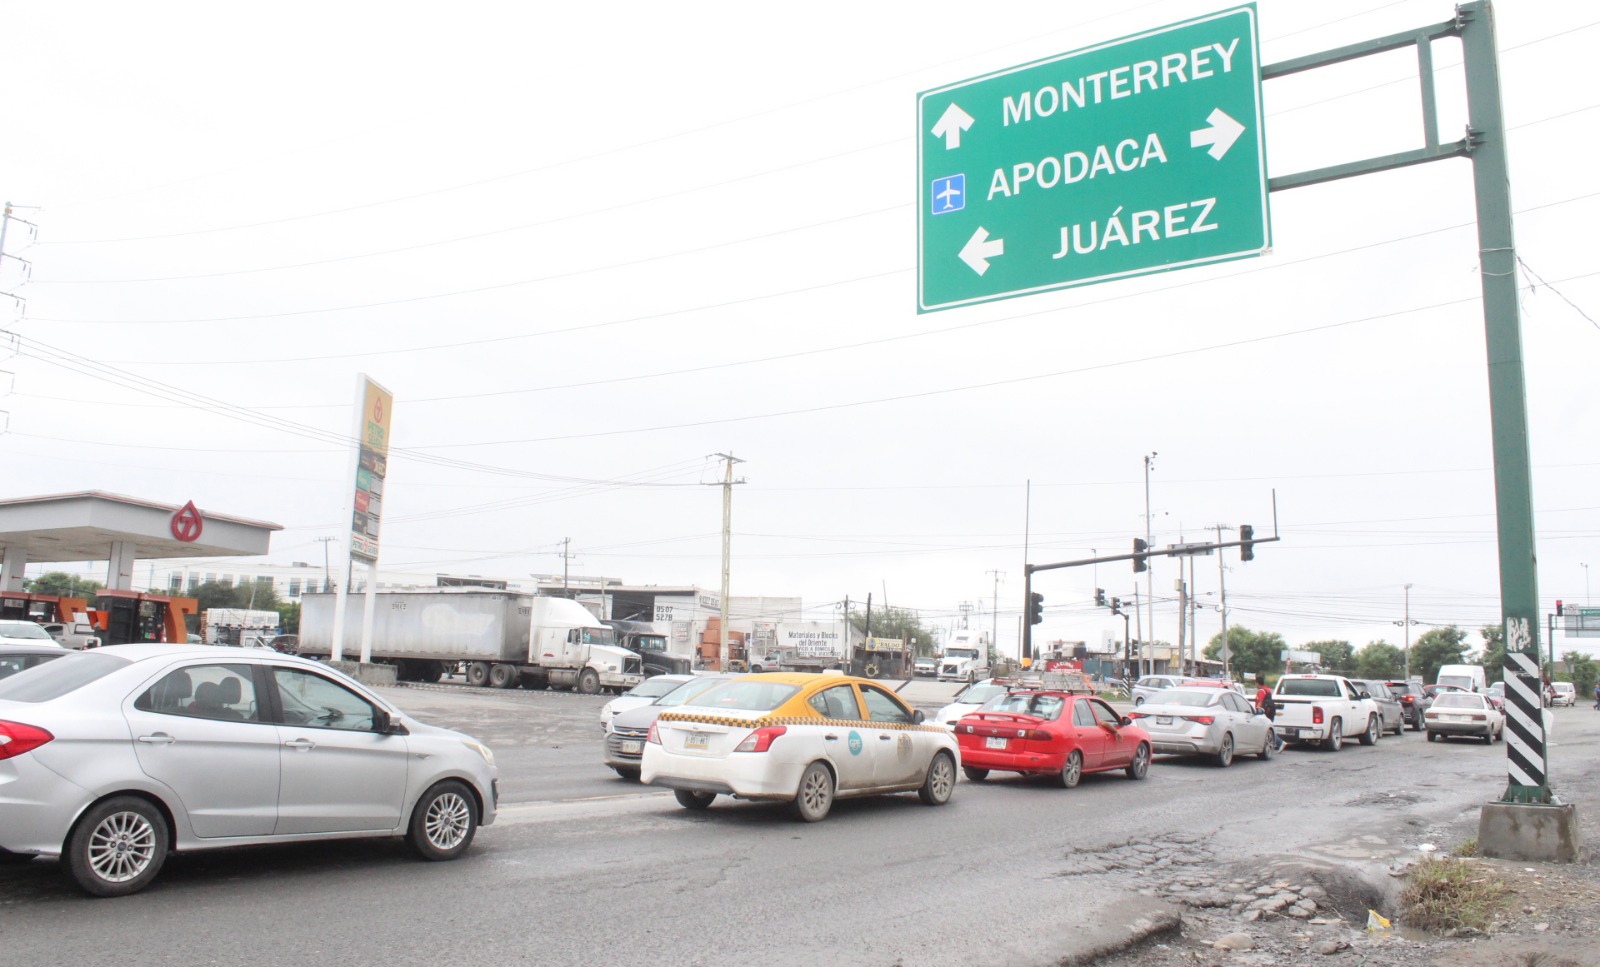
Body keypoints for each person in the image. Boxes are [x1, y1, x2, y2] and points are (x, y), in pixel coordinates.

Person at [1254, 674, 1285, 750]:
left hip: (1265, 712)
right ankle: (1274, 743)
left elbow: (1260, 702)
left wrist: (1257, 711)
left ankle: (1280, 742)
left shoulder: (1261, 691)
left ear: (1258, 683)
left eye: (1256, 683)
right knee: (1268, 728)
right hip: (1271, 711)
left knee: (1267, 729)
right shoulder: (1267, 689)